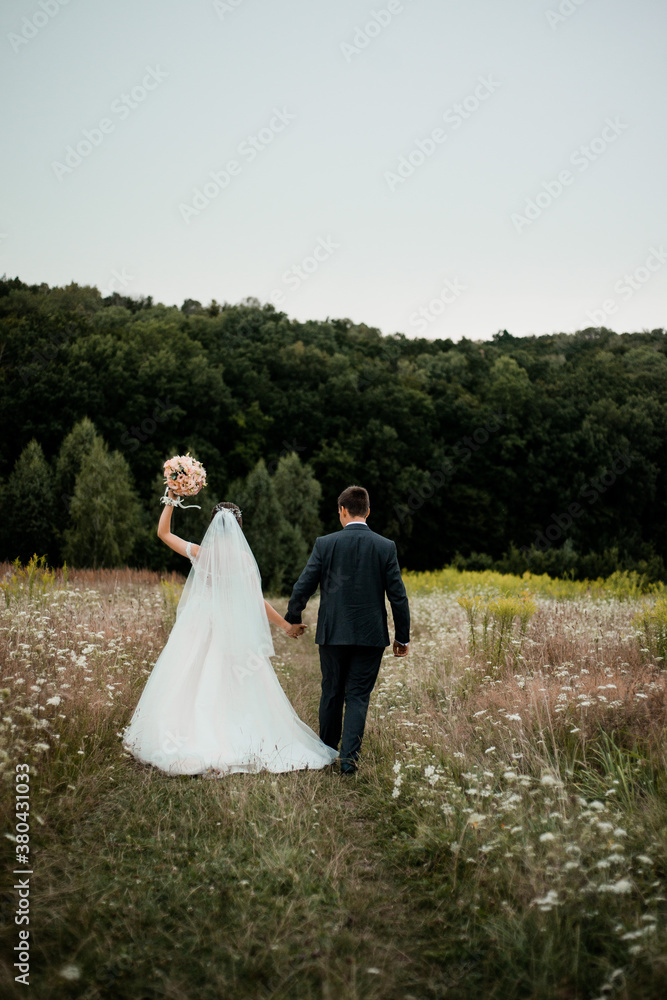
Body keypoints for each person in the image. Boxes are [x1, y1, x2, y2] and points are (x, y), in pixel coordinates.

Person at [122, 495, 338, 776]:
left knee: (188, 676)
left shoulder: (201, 553)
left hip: (198, 627)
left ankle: (185, 736)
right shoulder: (243, 560)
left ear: (213, 525)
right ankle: (237, 734)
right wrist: (285, 626)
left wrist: (171, 498)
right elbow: (257, 601)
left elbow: (163, 533)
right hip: (233, 631)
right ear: (239, 528)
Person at [284, 485, 410, 775]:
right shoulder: (385, 546)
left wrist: (294, 617)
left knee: (331, 691)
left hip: (333, 633)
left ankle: (327, 752)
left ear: (342, 510)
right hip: (370, 635)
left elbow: (303, 585)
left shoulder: (325, 544)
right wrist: (402, 637)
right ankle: (348, 761)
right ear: (367, 512)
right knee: (357, 696)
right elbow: (398, 596)